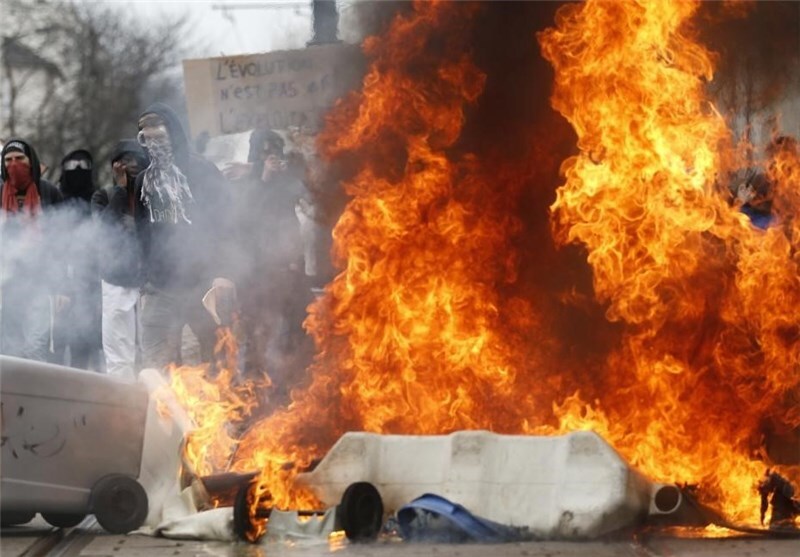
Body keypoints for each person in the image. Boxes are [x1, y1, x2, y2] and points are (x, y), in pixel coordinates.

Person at [134, 103, 236, 372]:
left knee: (212, 355)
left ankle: (216, 399)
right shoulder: (143, 180)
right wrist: (145, 277)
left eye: (159, 134)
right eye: (146, 137)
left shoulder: (202, 170)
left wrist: (223, 272)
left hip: (202, 283)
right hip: (160, 285)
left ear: (173, 133)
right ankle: (162, 400)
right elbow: (143, 232)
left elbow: (226, 223)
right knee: (156, 360)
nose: (153, 143)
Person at [231, 127, 311, 384]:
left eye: (275, 152)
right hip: (256, 274)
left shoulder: (285, 180)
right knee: (258, 335)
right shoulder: (245, 181)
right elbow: (244, 219)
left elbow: (304, 194)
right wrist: (262, 177)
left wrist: (290, 171)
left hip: (289, 269)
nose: (271, 158)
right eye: (265, 153)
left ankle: (293, 384)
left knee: (296, 331)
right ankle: (253, 387)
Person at [0, 139, 64, 361]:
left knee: (35, 346)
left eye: (20, 158)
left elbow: (62, 240)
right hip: (7, 284)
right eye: (8, 160)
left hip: (40, 281)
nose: (14, 164)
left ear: (31, 161)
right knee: (9, 348)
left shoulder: (49, 192)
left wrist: (61, 285)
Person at [92, 140, 148, 378]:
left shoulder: (152, 195)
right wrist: (121, 190)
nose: (132, 165)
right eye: (125, 161)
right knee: (118, 353)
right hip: (116, 281)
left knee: (152, 349)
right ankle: (122, 398)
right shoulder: (104, 196)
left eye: (136, 159)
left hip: (148, 281)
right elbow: (104, 227)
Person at [51, 149, 103, 370]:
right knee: (58, 338)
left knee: (85, 337)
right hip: (60, 279)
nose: (78, 170)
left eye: (83, 165)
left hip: (90, 280)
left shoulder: (98, 199)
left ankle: (81, 381)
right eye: (73, 166)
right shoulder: (56, 199)